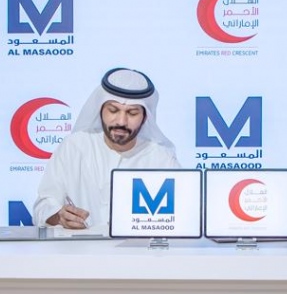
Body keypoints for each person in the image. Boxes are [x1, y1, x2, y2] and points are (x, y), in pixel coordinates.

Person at [33, 67, 180, 228]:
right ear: (101, 111)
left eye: (132, 113)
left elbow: (182, 214)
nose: (121, 121)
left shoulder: (161, 158)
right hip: (81, 244)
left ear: (145, 117)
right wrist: (59, 216)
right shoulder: (74, 147)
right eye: (113, 110)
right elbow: (43, 206)